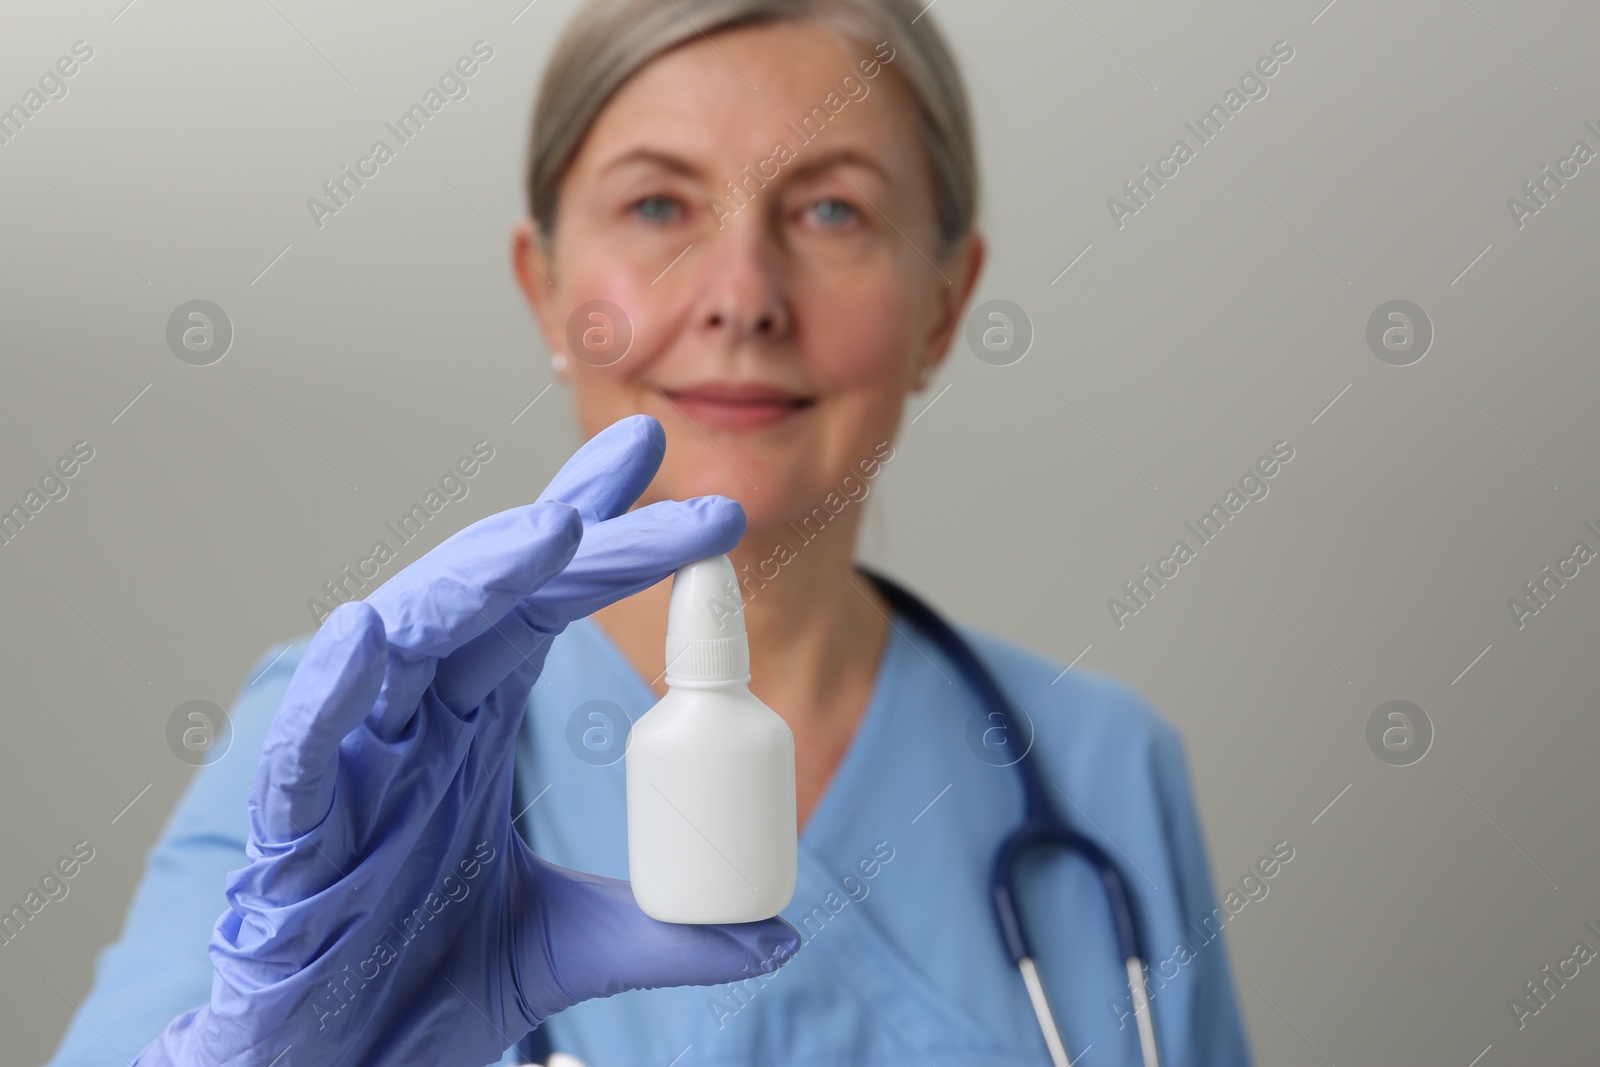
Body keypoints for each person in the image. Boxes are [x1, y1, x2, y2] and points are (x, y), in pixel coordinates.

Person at [46, 1, 1253, 1064]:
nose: (740, 292)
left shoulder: (1103, 768)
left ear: (945, 303)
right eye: (659, 203)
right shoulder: (362, 745)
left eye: (832, 208)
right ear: (547, 291)